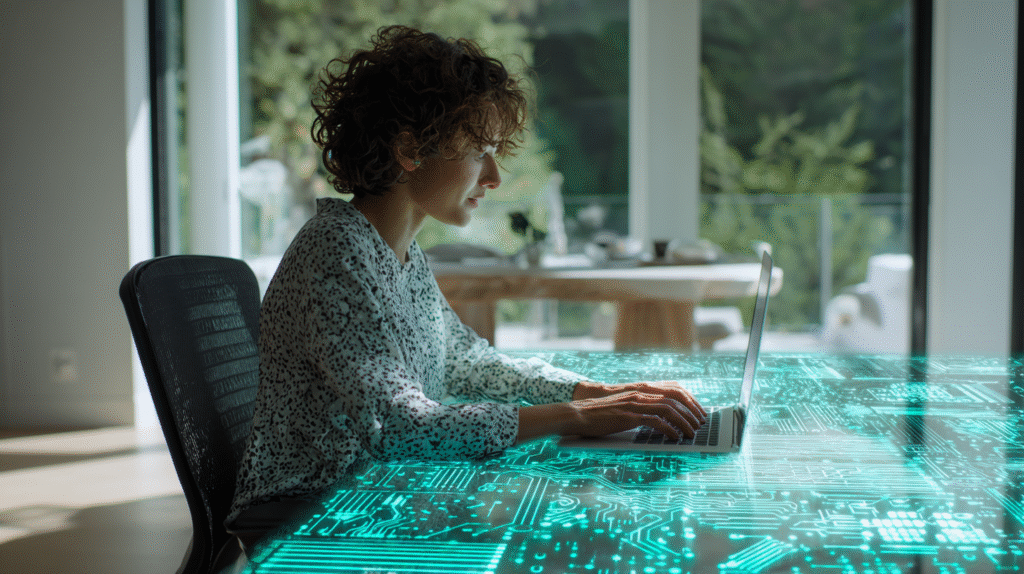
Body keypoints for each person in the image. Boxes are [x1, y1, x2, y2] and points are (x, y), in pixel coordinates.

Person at [226, 25, 706, 548]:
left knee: (578, 509)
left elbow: (466, 362)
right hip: (313, 515)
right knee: (581, 529)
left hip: (375, 493)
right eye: (480, 150)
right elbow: (402, 428)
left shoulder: (398, 254)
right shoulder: (336, 254)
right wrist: (571, 416)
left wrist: (591, 394)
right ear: (410, 149)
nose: (495, 175)